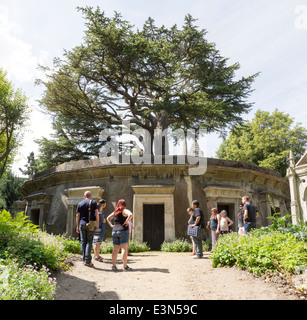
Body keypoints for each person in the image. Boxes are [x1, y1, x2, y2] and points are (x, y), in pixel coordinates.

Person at [107, 199, 133, 271]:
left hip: (114, 231)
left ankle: (114, 266)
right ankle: (124, 266)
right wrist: (126, 221)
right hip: (123, 231)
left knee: (115, 249)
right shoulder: (124, 210)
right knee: (124, 248)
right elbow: (130, 214)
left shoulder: (115, 212)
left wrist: (111, 225)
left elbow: (108, 218)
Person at [76, 191, 99, 267]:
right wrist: (97, 224)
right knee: (89, 241)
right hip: (90, 224)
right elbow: (97, 213)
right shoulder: (93, 202)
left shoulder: (80, 204)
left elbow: (77, 216)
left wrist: (77, 226)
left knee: (83, 241)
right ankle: (88, 261)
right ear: (91, 196)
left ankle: (84, 259)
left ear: (84, 196)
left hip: (82, 224)